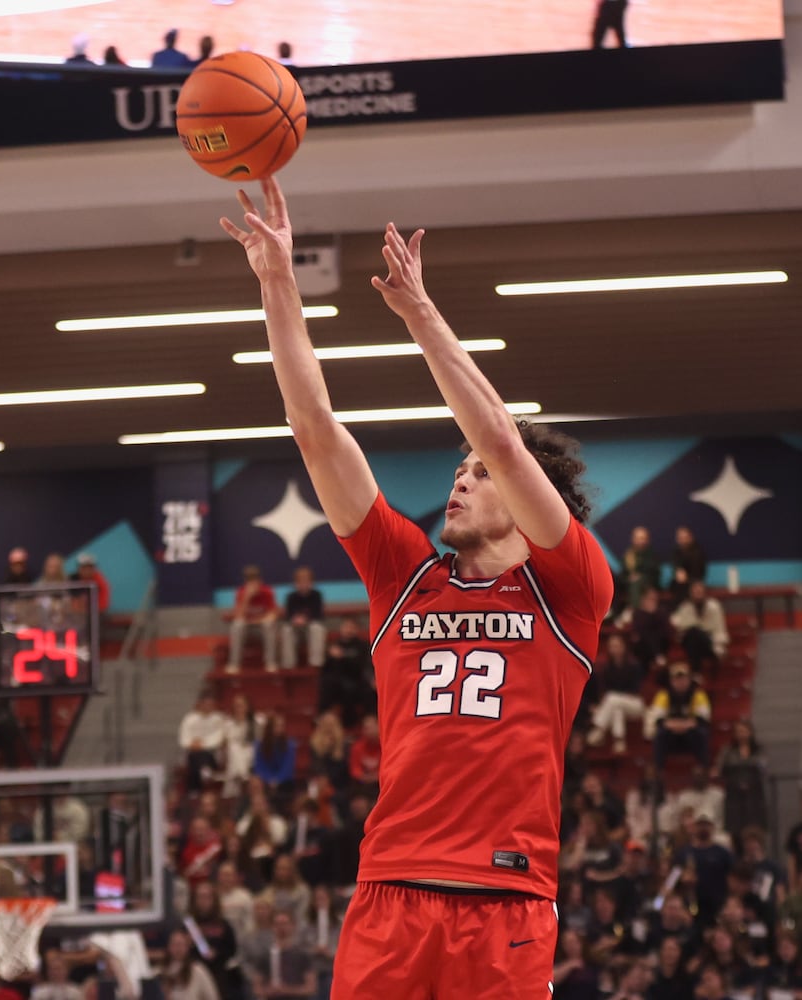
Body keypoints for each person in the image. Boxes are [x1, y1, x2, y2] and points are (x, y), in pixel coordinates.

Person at [221, 179, 612, 997]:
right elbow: (314, 427)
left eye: (474, 474)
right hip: (390, 887)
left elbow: (502, 440)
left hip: (505, 897)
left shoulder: (570, 589)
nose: (459, 480)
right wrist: (277, 283)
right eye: (456, 469)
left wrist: (419, 315)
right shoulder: (404, 577)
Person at [585, 633, 647, 752]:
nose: (615, 649)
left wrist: (617, 697)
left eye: (617, 646)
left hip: (634, 704)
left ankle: (599, 728)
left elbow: (635, 690)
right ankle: (619, 741)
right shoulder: (607, 668)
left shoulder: (634, 666)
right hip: (615, 704)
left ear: (624, 647)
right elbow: (605, 690)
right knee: (616, 708)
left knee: (613, 699)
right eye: (612, 646)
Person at [648, 663, 712, 769]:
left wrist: (682, 725)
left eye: (683, 679)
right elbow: (658, 720)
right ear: (671, 681)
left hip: (690, 735)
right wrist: (680, 724)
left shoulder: (698, 694)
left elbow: (703, 719)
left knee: (702, 733)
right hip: (672, 736)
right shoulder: (663, 695)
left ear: (689, 679)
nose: (680, 682)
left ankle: (703, 769)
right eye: (677, 679)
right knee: (660, 734)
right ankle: (657, 771)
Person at [227, 565, 280, 672]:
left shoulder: (267, 591)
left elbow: (274, 614)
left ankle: (270, 662)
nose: (252, 585)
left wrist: (259, 620)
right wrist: (247, 597)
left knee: (269, 624)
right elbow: (238, 616)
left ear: (260, 581)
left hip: (261, 627)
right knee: (237, 626)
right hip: (247, 628)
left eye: (255, 581)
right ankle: (234, 663)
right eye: (249, 582)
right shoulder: (241, 592)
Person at [670, 581, 728, 676]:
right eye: (695, 593)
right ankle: (696, 673)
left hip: (708, 642)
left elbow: (719, 628)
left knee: (697, 634)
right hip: (690, 642)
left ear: (705, 593)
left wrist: (720, 645)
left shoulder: (714, 607)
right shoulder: (685, 607)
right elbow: (675, 621)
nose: (698, 595)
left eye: (700, 592)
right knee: (693, 633)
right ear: (691, 594)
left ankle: (697, 673)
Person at [279, 566, 327, 670]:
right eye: (300, 581)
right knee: (286, 630)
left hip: (310, 627)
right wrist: (295, 620)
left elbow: (318, 615)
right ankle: (289, 664)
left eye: (306, 581)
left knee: (317, 628)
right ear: (296, 583)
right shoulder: (291, 597)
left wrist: (305, 619)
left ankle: (316, 662)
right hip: (295, 628)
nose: (303, 584)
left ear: (311, 582)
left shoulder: (316, 595)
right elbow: (288, 616)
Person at [160, 928, 219, 1000]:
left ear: (187, 947)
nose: (178, 949)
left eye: (181, 944)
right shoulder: (162, 971)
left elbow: (212, 996)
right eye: (174, 944)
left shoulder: (197, 970)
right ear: (169, 946)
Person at [667, 526, 706, 605]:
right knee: (676, 585)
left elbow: (698, 573)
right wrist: (678, 572)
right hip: (679, 582)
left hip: (694, 581)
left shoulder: (697, 552)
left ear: (691, 538)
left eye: (685, 537)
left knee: (690, 588)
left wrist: (686, 577)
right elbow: (675, 567)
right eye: (680, 538)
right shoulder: (676, 552)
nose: (683, 540)